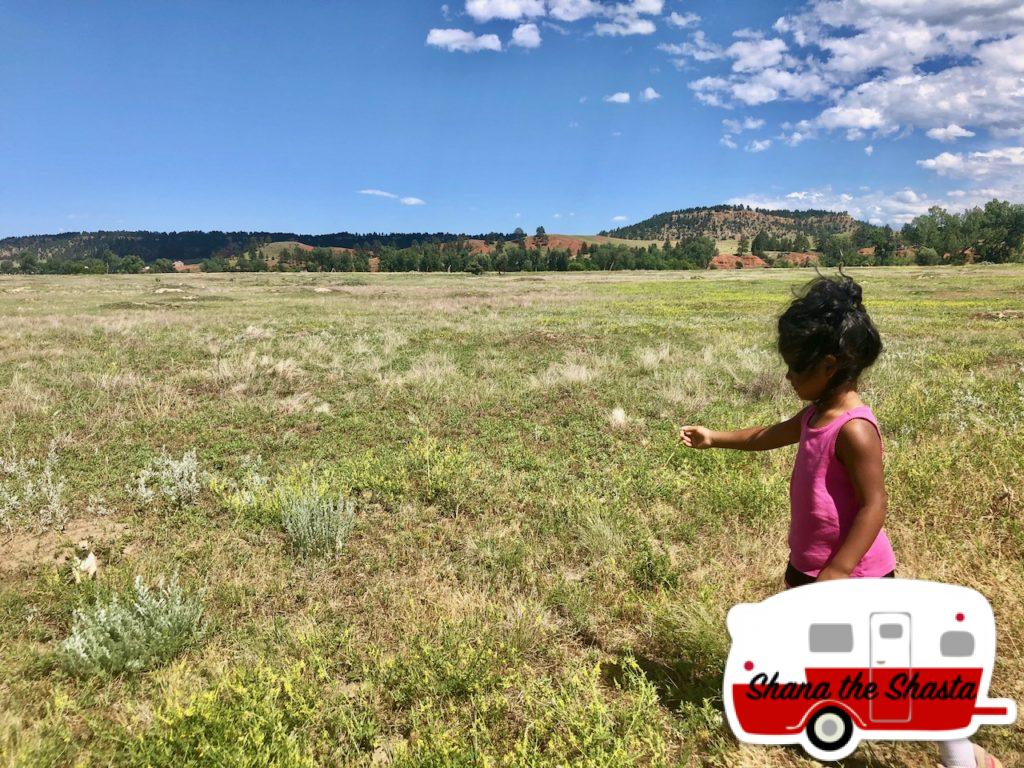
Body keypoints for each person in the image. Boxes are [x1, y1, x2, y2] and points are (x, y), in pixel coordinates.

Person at [678, 272, 1002, 768]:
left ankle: (961, 751)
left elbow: (875, 506)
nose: (787, 377)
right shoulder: (814, 415)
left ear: (829, 365)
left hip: (856, 577)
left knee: (897, 674)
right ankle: (816, 725)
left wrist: (838, 573)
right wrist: (715, 437)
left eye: (794, 368)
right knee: (810, 658)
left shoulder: (854, 430)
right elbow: (768, 434)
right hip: (809, 569)